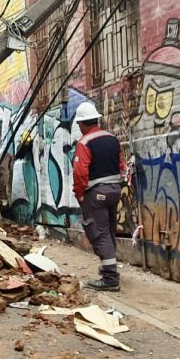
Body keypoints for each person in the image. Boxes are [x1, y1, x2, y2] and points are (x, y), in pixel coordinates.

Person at [72, 102, 126, 291]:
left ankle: (111, 278)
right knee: (109, 230)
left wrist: (79, 194)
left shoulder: (85, 143)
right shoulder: (112, 139)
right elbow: (121, 165)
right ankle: (108, 269)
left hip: (96, 193)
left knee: (99, 233)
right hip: (114, 191)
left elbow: (80, 173)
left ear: (82, 124)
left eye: (79, 124)